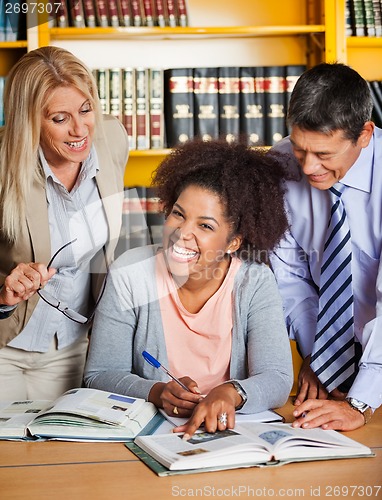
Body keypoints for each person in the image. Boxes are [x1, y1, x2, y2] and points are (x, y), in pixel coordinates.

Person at [84, 139, 293, 438]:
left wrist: (230, 393)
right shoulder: (129, 273)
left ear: (233, 242)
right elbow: (99, 374)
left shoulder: (255, 282)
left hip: (231, 438)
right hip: (150, 439)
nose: (182, 234)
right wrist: (156, 391)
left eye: (205, 226)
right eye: (178, 214)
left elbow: (277, 378)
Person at [0, 46, 129, 400]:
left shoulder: (112, 139)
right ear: (29, 121)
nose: (79, 129)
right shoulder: (3, 165)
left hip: (73, 346)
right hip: (5, 346)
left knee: (63, 453)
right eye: (59, 119)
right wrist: (4, 293)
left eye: (85, 110)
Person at [270, 62, 382, 431]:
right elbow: (290, 279)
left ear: (364, 134)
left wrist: (361, 402)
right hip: (330, 353)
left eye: (324, 155)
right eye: (301, 149)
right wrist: (322, 358)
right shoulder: (280, 164)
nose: (308, 167)